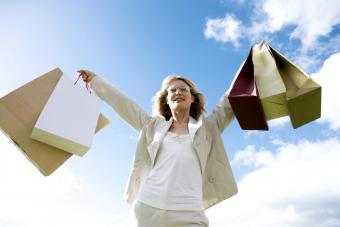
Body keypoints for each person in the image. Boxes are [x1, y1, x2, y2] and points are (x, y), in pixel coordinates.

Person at [77, 69, 238, 227]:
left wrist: (253, 66)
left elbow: (229, 101)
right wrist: (95, 81)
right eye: (172, 90)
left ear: (193, 98)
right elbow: (125, 104)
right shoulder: (152, 126)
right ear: (167, 100)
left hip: (190, 213)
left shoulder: (208, 127)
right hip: (148, 209)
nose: (178, 92)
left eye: (183, 89)